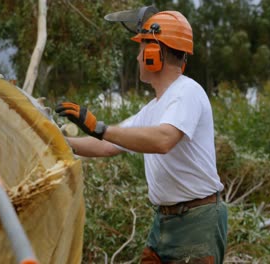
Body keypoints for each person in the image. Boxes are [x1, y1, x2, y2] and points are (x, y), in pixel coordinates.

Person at [55, 10, 227, 264]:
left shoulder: (187, 92)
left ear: (153, 54)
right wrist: (58, 142)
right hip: (165, 220)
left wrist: (100, 127)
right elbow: (107, 146)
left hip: (196, 220)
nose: (137, 57)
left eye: (141, 49)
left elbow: (163, 140)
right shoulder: (154, 108)